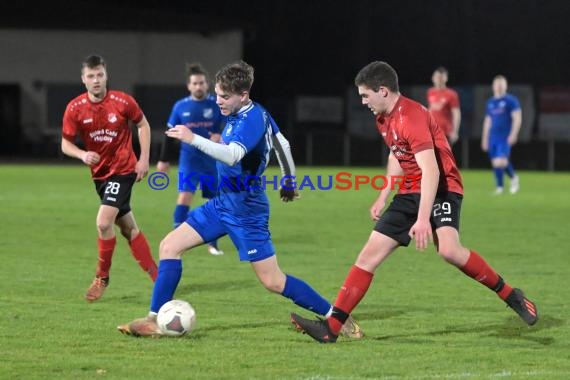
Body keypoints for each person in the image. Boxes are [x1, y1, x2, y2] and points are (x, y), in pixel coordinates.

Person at [291, 61, 538, 344]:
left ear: (382, 90)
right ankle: (332, 328)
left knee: (448, 250)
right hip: (411, 189)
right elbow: (397, 155)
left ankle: (510, 294)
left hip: (443, 187)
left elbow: (431, 171)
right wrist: (383, 194)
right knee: (368, 256)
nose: (362, 101)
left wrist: (422, 219)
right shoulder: (383, 118)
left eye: (365, 95)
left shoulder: (411, 116)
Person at [117, 61, 362, 338]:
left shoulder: (253, 118)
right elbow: (283, 144)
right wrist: (289, 180)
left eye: (224, 96)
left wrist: (192, 138)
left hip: (247, 211)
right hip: (223, 203)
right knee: (169, 245)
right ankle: (153, 319)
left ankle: (336, 317)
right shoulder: (247, 113)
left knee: (273, 281)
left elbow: (233, 154)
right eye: (218, 94)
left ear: (243, 95)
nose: (218, 100)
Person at [61, 54, 158, 302]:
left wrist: (144, 158)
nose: (96, 80)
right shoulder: (75, 108)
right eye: (91, 76)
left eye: (100, 75)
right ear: (83, 79)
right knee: (128, 228)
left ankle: (101, 277)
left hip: (123, 170)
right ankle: (160, 278)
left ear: (106, 76)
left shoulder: (122, 101)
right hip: (100, 176)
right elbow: (65, 144)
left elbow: (143, 125)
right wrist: (82, 155)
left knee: (104, 222)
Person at [157, 63, 225, 255]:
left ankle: (213, 244)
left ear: (207, 84)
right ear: (189, 86)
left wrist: (220, 136)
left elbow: (228, 127)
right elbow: (169, 132)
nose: (198, 86)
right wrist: (163, 159)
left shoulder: (217, 104)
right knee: (185, 196)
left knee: (215, 202)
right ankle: (177, 240)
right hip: (190, 160)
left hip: (212, 161)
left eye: (201, 83)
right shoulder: (180, 106)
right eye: (195, 83)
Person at [481, 75, 522, 195]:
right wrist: (484, 138)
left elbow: (517, 118)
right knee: (495, 163)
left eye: (501, 84)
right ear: (493, 86)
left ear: (506, 86)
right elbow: (487, 121)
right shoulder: (490, 102)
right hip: (492, 137)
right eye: (497, 84)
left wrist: (514, 134)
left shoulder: (511, 100)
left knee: (501, 162)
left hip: (504, 136)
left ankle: (514, 178)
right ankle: (500, 187)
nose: (499, 87)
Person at [426, 66, 461, 145]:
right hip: (431, 132)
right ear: (433, 78)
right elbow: (430, 110)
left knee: (443, 156)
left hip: (445, 132)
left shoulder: (451, 94)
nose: (439, 79)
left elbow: (456, 113)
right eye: (437, 77)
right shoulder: (430, 92)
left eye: (441, 77)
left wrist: (455, 131)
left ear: (446, 78)